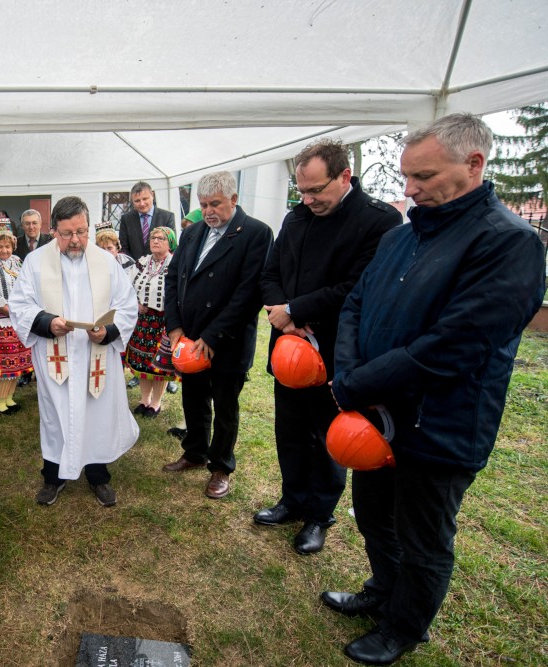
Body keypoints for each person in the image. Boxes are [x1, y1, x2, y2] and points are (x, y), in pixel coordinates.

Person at [325, 113, 545, 665]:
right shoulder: (400, 237)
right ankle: (383, 589)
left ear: (474, 164)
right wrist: (348, 375)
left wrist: (358, 383)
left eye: (423, 176)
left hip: (441, 424)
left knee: (422, 536)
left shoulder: (508, 243)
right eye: (406, 175)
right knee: (373, 514)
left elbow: (456, 345)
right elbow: (355, 305)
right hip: (376, 415)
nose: (410, 189)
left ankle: (404, 626)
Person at [256, 139, 401, 555]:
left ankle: (319, 515)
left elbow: (357, 287)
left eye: (316, 190)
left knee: (327, 436)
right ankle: (292, 499)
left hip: (337, 351)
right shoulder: (296, 218)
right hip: (289, 348)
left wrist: (295, 310)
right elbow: (270, 273)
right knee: (289, 430)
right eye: (301, 191)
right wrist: (282, 314)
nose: (307, 200)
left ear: (344, 176)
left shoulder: (379, 221)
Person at [10, 196, 139, 506]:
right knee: (56, 416)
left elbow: (127, 305)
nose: (76, 240)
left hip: (96, 356)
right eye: (67, 233)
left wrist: (108, 331)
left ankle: (98, 475)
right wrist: (47, 322)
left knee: (97, 414)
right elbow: (20, 305)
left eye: (81, 231)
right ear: (54, 230)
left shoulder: (106, 261)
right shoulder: (36, 262)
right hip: (56, 355)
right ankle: (53, 477)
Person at [162, 171, 273, 500]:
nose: (208, 211)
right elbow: (173, 278)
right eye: (203, 204)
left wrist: (212, 337)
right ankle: (195, 451)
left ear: (233, 200)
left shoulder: (256, 233)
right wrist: (175, 326)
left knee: (225, 406)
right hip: (190, 335)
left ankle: (221, 466)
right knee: (193, 398)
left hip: (228, 339)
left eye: (215, 204)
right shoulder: (193, 232)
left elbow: (248, 294)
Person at [126, 227, 178, 417]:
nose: (155, 241)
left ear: (169, 243)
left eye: (161, 238)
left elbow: (179, 292)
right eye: (153, 237)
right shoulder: (141, 262)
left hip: (164, 321)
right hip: (142, 321)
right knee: (142, 361)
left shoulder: (175, 264)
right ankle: (144, 399)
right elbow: (126, 287)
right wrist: (135, 303)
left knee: (159, 364)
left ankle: (156, 403)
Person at [0, 231, 34, 415]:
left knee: (17, 361)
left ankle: (9, 397)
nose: (4, 250)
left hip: (19, 319)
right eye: (0, 246)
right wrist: (10, 310)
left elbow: (28, 285)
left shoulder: (17, 261)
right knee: (4, 362)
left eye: (8, 246)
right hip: (1, 320)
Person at [117, 181, 175, 260]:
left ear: (152, 195)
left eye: (145, 199)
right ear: (132, 201)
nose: (142, 204)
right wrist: (134, 265)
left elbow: (171, 245)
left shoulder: (167, 217)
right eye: (137, 201)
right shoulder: (126, 219)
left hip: (160, 265)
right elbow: (123, 247)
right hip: (133, 266)